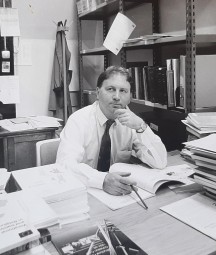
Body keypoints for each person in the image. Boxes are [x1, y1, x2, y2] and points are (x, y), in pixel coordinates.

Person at [56, 66, 167, 196]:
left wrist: (141, 127)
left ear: (130, 97)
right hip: (85, 191)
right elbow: (64, 165)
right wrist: (102, 180)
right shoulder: (78, 120)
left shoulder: (131, 122)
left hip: (118, 195)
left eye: (123, 91)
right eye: (110, 89)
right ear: (97, 93)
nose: (116, 97)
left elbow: (159, 163)